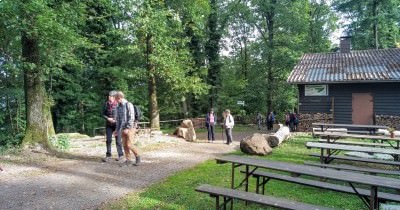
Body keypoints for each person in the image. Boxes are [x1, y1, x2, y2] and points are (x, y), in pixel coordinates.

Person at [114, 91, 141, 166]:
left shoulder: (128, 105)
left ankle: (138, 157)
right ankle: (128, 160)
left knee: (129, 144)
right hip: (122, 128)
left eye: (116, 99)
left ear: (119, 98)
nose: (115, 101)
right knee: (125, 145)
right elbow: (118, 120)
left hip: (130, 128)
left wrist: (127, 128)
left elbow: (131, 117)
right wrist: (116, 130)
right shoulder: (118, 106)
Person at [102, 91, 124, 162]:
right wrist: (107, 118)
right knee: (108, 140)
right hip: (109, 125)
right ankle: (108, 155)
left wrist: (116, 120)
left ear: (114, 97)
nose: (109, 97)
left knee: (118, 140)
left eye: (111, 96)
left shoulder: (118, 104)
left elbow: (122, 115)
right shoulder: (106, 104)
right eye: (109, 96)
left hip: (117, 125)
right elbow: (103, 114)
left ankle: (121, 155)